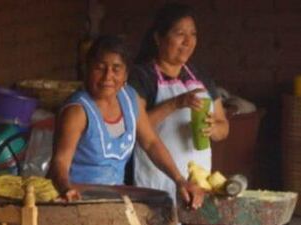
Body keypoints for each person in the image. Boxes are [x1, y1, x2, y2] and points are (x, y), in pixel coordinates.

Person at [48, 35, 204, 208]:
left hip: (113, 203)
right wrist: (66, 188)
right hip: (75, 203)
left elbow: (151, 143)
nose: (107, 77)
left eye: (116, 69)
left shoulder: (130, 99)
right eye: (100, 68)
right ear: (87, 70)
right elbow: (60, 161)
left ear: (126, 75)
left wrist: (179, 180)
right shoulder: (77, 111)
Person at [130, 3, 229, 200]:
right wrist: (176, 103)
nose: (188, 41)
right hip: (155, 178)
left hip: (197, 181)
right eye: (179, 33)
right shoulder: (141, 76)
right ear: (159, 38)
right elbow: (135, 128)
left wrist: (213, 129)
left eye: (193, 34)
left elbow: (224, 127)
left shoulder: (201, 76)